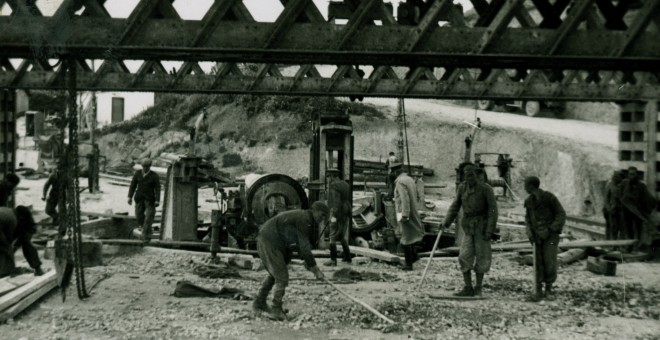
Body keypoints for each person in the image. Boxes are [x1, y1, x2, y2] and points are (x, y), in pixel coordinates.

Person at [253, 202, 329, 321]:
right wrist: (316, 270)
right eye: (322, 215)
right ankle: (276, 309)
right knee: (282, 277)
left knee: (274, 275)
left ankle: (259, 303)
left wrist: (306, 261)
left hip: (268, 238)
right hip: (270, 240)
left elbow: (298, 242)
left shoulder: (304, 217)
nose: (322, 219)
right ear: (315, 211)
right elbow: (304, 248)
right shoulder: (306, 219)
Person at [442, 164, 498, 296]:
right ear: (463, 176)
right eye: (467, 175)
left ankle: (478, 287)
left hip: (482, 228)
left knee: (482, 257)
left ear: (476, 174)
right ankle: (468, 287)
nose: (470, 177)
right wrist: (446, 222)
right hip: (468, 227)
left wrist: (490, 230)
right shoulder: (462, 188)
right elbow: (455, 206)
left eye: (472, 174)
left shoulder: (486, 189)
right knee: (464, 256)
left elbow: (493, 211)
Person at [523, 176, 566, 301]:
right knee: (538, 262)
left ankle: (548, 290)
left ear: (531, 186)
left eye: (525, 185)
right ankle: (538, 291)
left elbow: (561, 214)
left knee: (550, 262)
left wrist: (551, 230)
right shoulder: (529, 201)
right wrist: (530, 233)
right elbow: (528, 219)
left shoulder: (550, 198)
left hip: (550, 236)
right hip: (537, 236)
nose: (524, 187)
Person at [391, 163, 425, 271]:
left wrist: (404, 214)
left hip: (404, 212)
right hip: (412, 210)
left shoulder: (400, 182)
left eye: (391, 171)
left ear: (395, 171)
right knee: (411, 235)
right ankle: (414, 257)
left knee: (405, 237)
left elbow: (404, 198)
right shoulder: (409, 179)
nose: (390, 173)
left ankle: (408, 263)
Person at [0, 206, 44, 278]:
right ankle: (6, 274)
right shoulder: (13, 220)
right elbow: (7, 244)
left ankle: (5, 272)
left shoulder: (9, 212)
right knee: (6, 249)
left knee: (6, 249)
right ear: (22, 218)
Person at [619, 167, 656, 251]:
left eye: (633, 174)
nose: (631, 176)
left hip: (637, 211)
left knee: (638, 229)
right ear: (627, 174)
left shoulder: (641, 186)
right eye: (630, 174)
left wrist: (642, 208)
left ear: (636, 175)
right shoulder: (624, 183)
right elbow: (620, 195)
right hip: (626, 211)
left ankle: (638, 246)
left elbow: (647, 198)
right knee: (628, 229)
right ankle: (629, 246)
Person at [323, 169, 352, 266]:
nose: (328, 179)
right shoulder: (346, 185)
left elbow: (335, 202)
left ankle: (333, 260)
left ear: (332, 176)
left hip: (336, 213)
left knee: (332, 234)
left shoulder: (333, 186)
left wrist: (333, 217)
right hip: (346, 212)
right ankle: (348, 257)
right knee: (341, 235)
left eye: (328, 176)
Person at [128, 159, 161, 243]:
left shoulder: (154, 176)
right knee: (138, 216)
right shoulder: (138, 174)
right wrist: (129, 197)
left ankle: (145, 236)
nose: (145, 168)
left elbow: (157, 188)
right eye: (144, 167)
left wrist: (157, 200)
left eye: (147, 167)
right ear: (142, 166)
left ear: (149, 167)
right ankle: (146, 230)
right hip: (139, 198)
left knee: (149, 217)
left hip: (150, 199)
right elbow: (133, 185)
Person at [603, 170, 624, 240]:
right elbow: (606, 199)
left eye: (617, 177)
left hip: (620, 210)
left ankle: (620, 244)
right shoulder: (610, 185)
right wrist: (609, 209)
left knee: (622, 227)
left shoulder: (623, 185)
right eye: (614, 176)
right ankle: (610, 243)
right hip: (611, 210)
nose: (614, 178)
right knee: (612, 227)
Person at [42, 166, 61, 230]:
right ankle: (56, 217)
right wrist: (44, 195)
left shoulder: (66, 177)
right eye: (57, 170)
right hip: (53, 194)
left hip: (62, 194)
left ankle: (59, 221)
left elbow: (70, 188)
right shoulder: (53, 176)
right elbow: (46, 185)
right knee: (48, 210)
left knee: (62, 210)